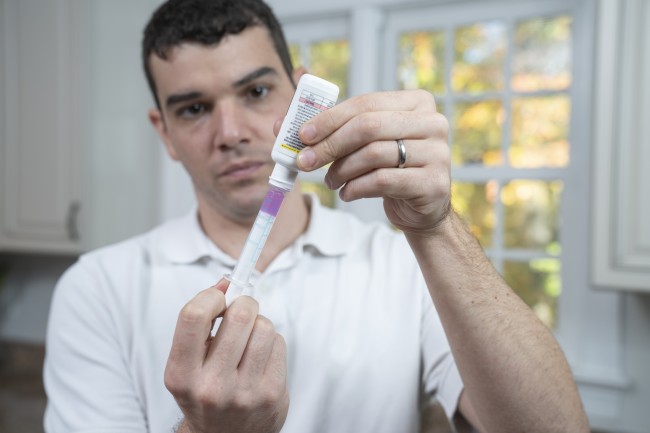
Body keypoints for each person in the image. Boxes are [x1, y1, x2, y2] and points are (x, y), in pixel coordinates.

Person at [43, 0, 590, 432]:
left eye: (256, 91)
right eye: (193, 108)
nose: (231, 133)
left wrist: (436, 227)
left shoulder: (401, 265)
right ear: (164, 131)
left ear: (301, 94)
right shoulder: (98, 289)